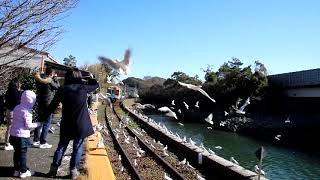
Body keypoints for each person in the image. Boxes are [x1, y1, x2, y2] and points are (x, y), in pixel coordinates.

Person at [46, 68, 99, 179]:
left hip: (66, 123)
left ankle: (53, 170)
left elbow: (52, 105)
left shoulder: (62, 89)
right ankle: (73, 171)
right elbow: (95, 85)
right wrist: (91, 77)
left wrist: (42, 117)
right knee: (77, 147)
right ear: (79, 77)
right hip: (81, 124)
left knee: (61, 147)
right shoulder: (83, 88)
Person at [9, 90, 41, 178]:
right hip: (22, 137)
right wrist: (38, 124)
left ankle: (16, 170)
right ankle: (23, 171)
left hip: (13, 134)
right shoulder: (27, 111)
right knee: (23, 154)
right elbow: (28, 126)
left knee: (16, 153)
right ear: (32, 101)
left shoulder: (17, 107)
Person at [33, 67, 59, 149]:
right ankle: (43, 142)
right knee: (47, 123)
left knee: (39, 122)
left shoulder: (38, 79)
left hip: (40, 103)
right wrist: (55, 78)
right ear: (51, 74)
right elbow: (57, 86)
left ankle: (36, 140)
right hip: (48, 104)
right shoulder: (50, 80)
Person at [4, 78, 22, 150]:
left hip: (8, 110)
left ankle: (7, 142)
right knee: (12, 127)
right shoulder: (15, 91)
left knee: (9, 127)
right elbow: (18, 100)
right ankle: (8, 143)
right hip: (13, 111)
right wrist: (20, 91)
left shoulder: (8, 91)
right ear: (16, 83)